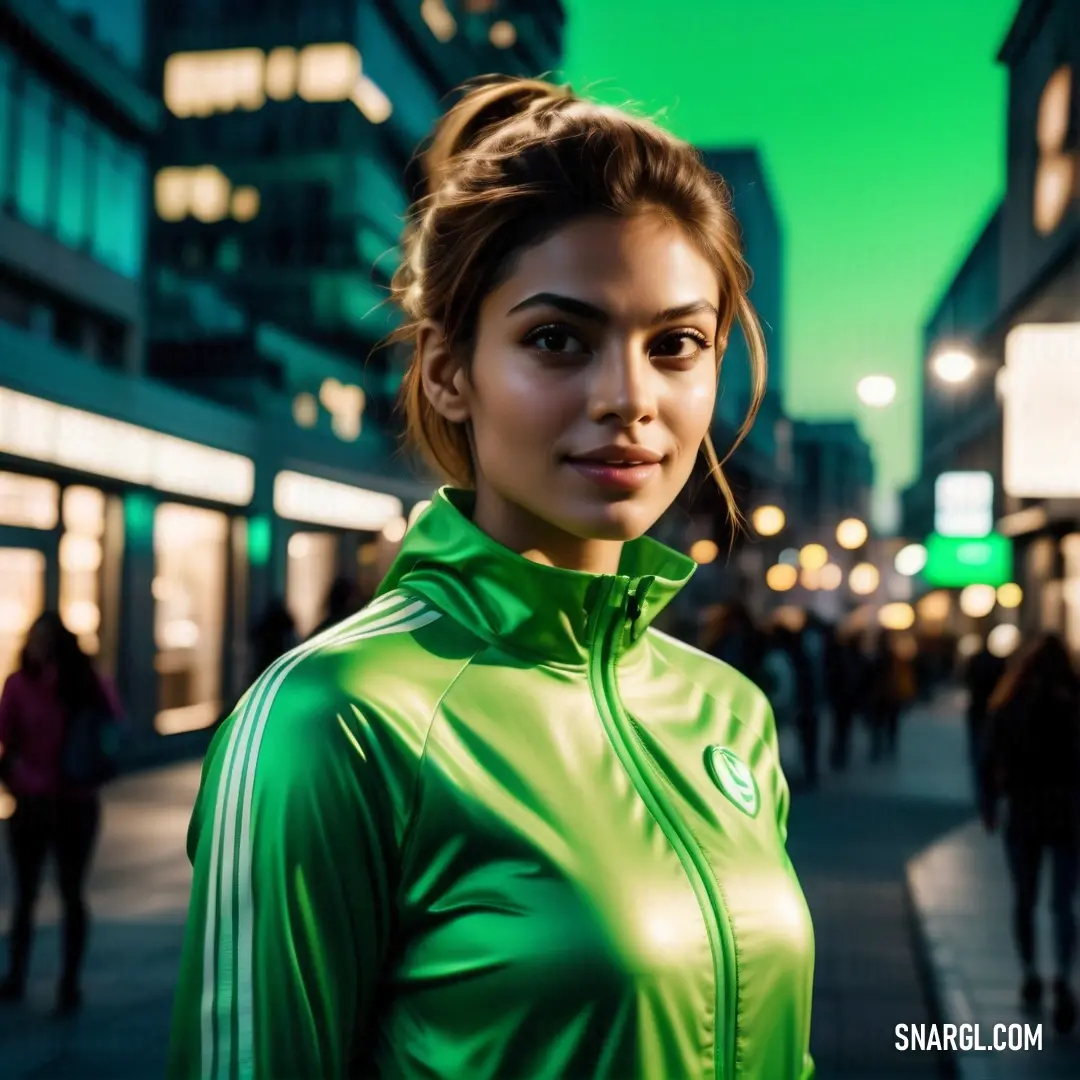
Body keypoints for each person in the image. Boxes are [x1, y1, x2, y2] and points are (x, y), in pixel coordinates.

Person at [167, 76, 815, 1079]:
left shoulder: (728, 714)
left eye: (675, 344)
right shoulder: (330, 722)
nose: (628, 399)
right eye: (558, 339)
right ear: (447, 370)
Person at [0, 612, 122, 1014]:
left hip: (73, 801)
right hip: (34, 802)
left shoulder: (85, 683)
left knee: (70, 893)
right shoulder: (19, 685)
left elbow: (114, 728)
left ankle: (68, 980)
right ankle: (17, 974)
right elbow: (6, 735)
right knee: (26, 894)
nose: (37, 646)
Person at [980, 633, 1080, 1033]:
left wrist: (989, 805)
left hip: (1024, 813)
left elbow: (991, 757)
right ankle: (1063, 977)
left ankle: (1030, 972)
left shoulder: (1012, 701)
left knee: (1025, 898)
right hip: (1069, 816)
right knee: (1062, 903)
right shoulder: (1075, 702)